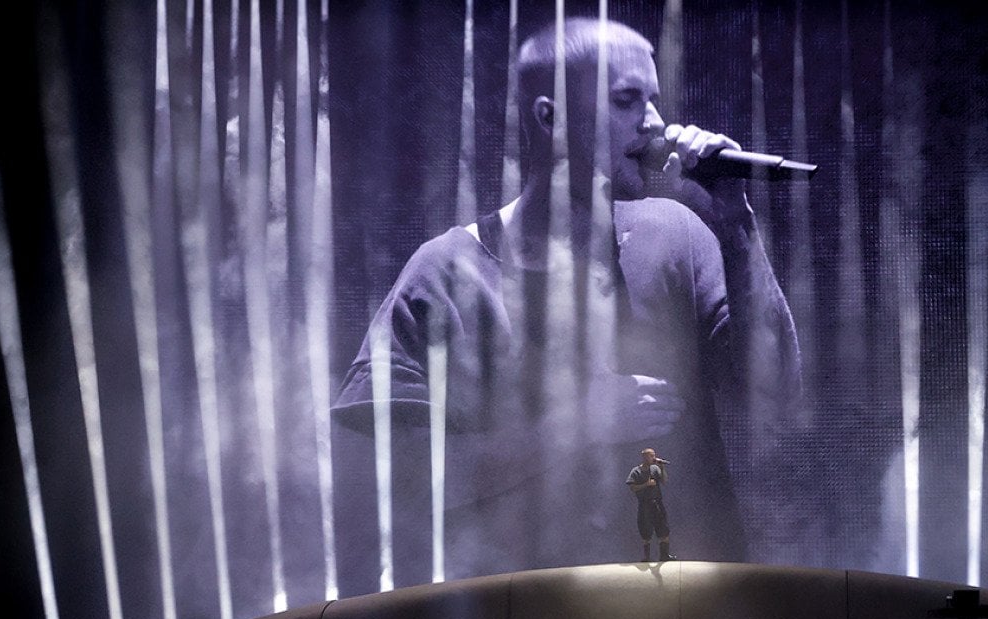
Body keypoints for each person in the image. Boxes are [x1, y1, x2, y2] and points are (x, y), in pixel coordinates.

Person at [333, 17, 800, 585]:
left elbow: (775, 390)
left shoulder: (678, 235)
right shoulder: (447, 273)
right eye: (628, 101)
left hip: (689, 613)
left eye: (654, 101)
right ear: (549, 117)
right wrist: (575, 426)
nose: (655, 123)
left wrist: (736, 223)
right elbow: (398, 480)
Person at [627, 448, 673, 562]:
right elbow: (632, 487)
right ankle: (647, 557)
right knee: (645, 529)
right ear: (644, 457)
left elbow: (664, 481)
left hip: (657, 502)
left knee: (663, 528)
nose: (654, 458)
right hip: (644, 504)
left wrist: (662, 468)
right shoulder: (636, 471)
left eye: (654, 455)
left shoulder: (655, 468)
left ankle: (664, 555)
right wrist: (646, 484)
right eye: (651, 456)